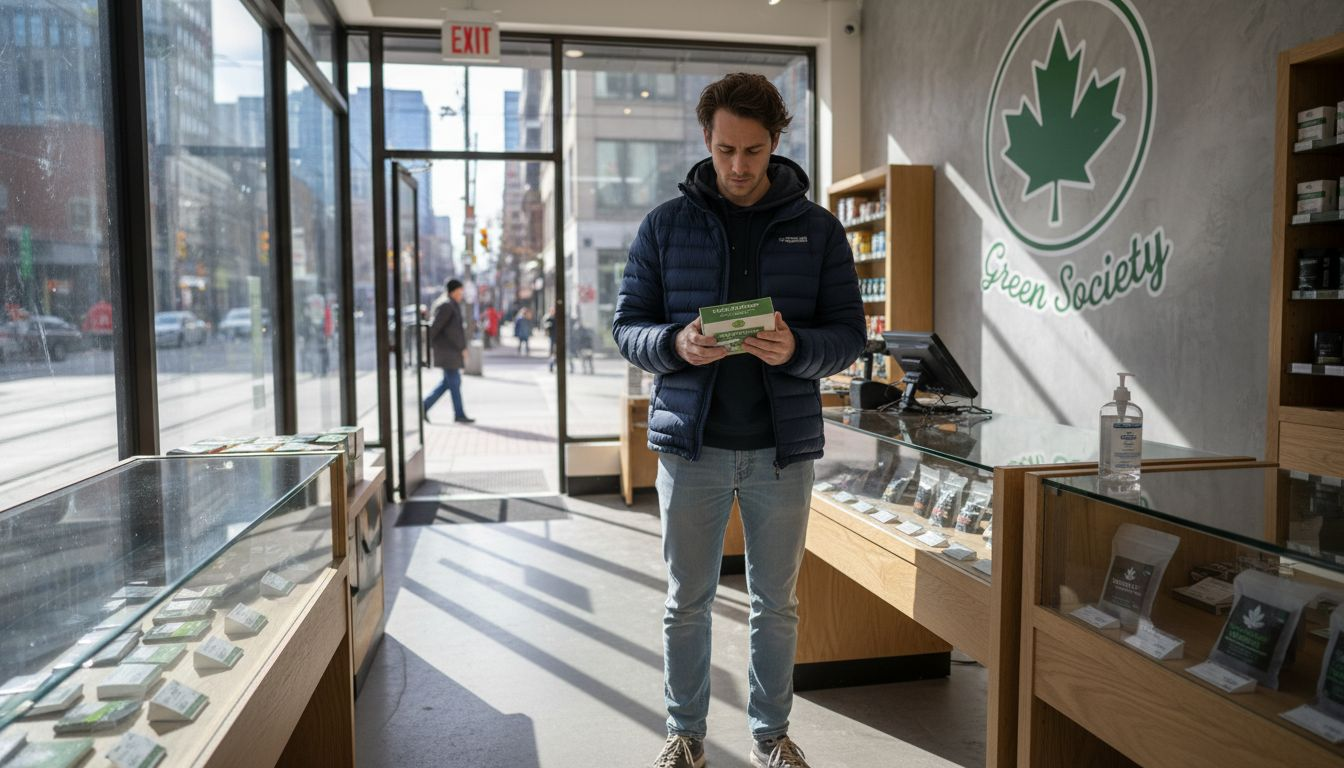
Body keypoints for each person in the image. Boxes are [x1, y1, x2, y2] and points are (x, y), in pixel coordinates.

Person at [612, 73, 863, 768]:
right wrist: (673, 345)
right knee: (685, 603)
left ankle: (770, 737)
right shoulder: (665, 225)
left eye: (753, 150)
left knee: (774, 606)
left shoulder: (818, 230)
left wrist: (799, 349)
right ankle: (685, 735)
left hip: (781, 453)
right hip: (690, 450)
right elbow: (627, 326)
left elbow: (849, 334)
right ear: (706, 140)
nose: (739, 167)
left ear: (777, 143)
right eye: (726, 150)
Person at [423, 279, 474, 424]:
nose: (461, 294)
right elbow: (438, 329)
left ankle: (424, 406)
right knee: (455, 382)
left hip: (449, 352)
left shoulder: (450, 304)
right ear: (453, 291)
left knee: (448, 383)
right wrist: (462, 348)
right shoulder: (446, 305)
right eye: (459, 291)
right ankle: (459, 414)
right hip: (448, 352)